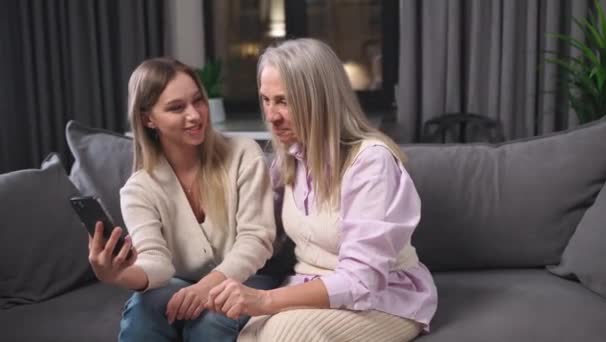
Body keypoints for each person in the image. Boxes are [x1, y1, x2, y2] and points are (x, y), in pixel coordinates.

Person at [205, 38, 438, 341]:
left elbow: (361, 280)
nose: (272, 116)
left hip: (382, 299)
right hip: (306, 288)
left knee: (284, 335)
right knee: (249, 335)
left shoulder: (370, 162)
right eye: (266, 100)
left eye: (284, 101)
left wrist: (264, 301)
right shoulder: (288, 160)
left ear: (321, 100)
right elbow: (257, 235)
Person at [87, 57, 281, 342]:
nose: (195, 115)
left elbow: (256, 240)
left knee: (213, 318)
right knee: (143, 307)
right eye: (177, 108)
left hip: (248, 278)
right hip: (178, 284)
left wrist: (207, 288)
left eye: (198, 101)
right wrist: (116, 276)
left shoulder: (243, 154)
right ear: (147, 118)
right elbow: (157, 263)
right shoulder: (138, 189)